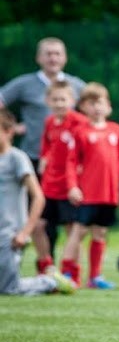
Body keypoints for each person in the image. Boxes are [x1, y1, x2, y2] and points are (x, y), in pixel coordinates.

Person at [0, 37, 85, 265]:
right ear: (39, 58)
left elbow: (94, 112)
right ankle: (44, 265)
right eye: (48, 53)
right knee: (38, 217)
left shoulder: (76, 85)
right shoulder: (25, 84)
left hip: (67, 167)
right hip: (35, 161)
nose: (53, 58)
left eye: (57, 53)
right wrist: (11, 128)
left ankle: (70, 269)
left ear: (65, 57)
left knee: (69, 219)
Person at [60, 82, 119, 288]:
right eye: (91, 103)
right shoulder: (79, 132)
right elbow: (71, 162)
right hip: (88, 194)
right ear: (83, 107)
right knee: (78, 231)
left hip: (109, 193)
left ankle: (95, 277)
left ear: (108, 106)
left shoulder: (115, 130)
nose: (96, 107)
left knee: (100, 233)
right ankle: (67, 272)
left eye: (100, 102)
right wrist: (72, 186)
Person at [0, 108, 74, 296]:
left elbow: (38, 197)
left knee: (9, 289)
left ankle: (49, 281)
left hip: (9, 236)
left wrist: (25, 232)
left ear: (9, 132)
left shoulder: (16, 158)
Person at [36, 81, 89, 273]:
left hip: (70, 185)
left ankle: (72, 271)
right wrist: (44, 158)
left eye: (63, 99)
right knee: (38, 225)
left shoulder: (79, 122)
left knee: (72, 229)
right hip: (49, 184)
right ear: (47, 101)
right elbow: (47, 146)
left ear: (72, 101)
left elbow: (85, 151)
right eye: (55, 99)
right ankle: (45, 266)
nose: (59, 104)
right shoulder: (49, 122)